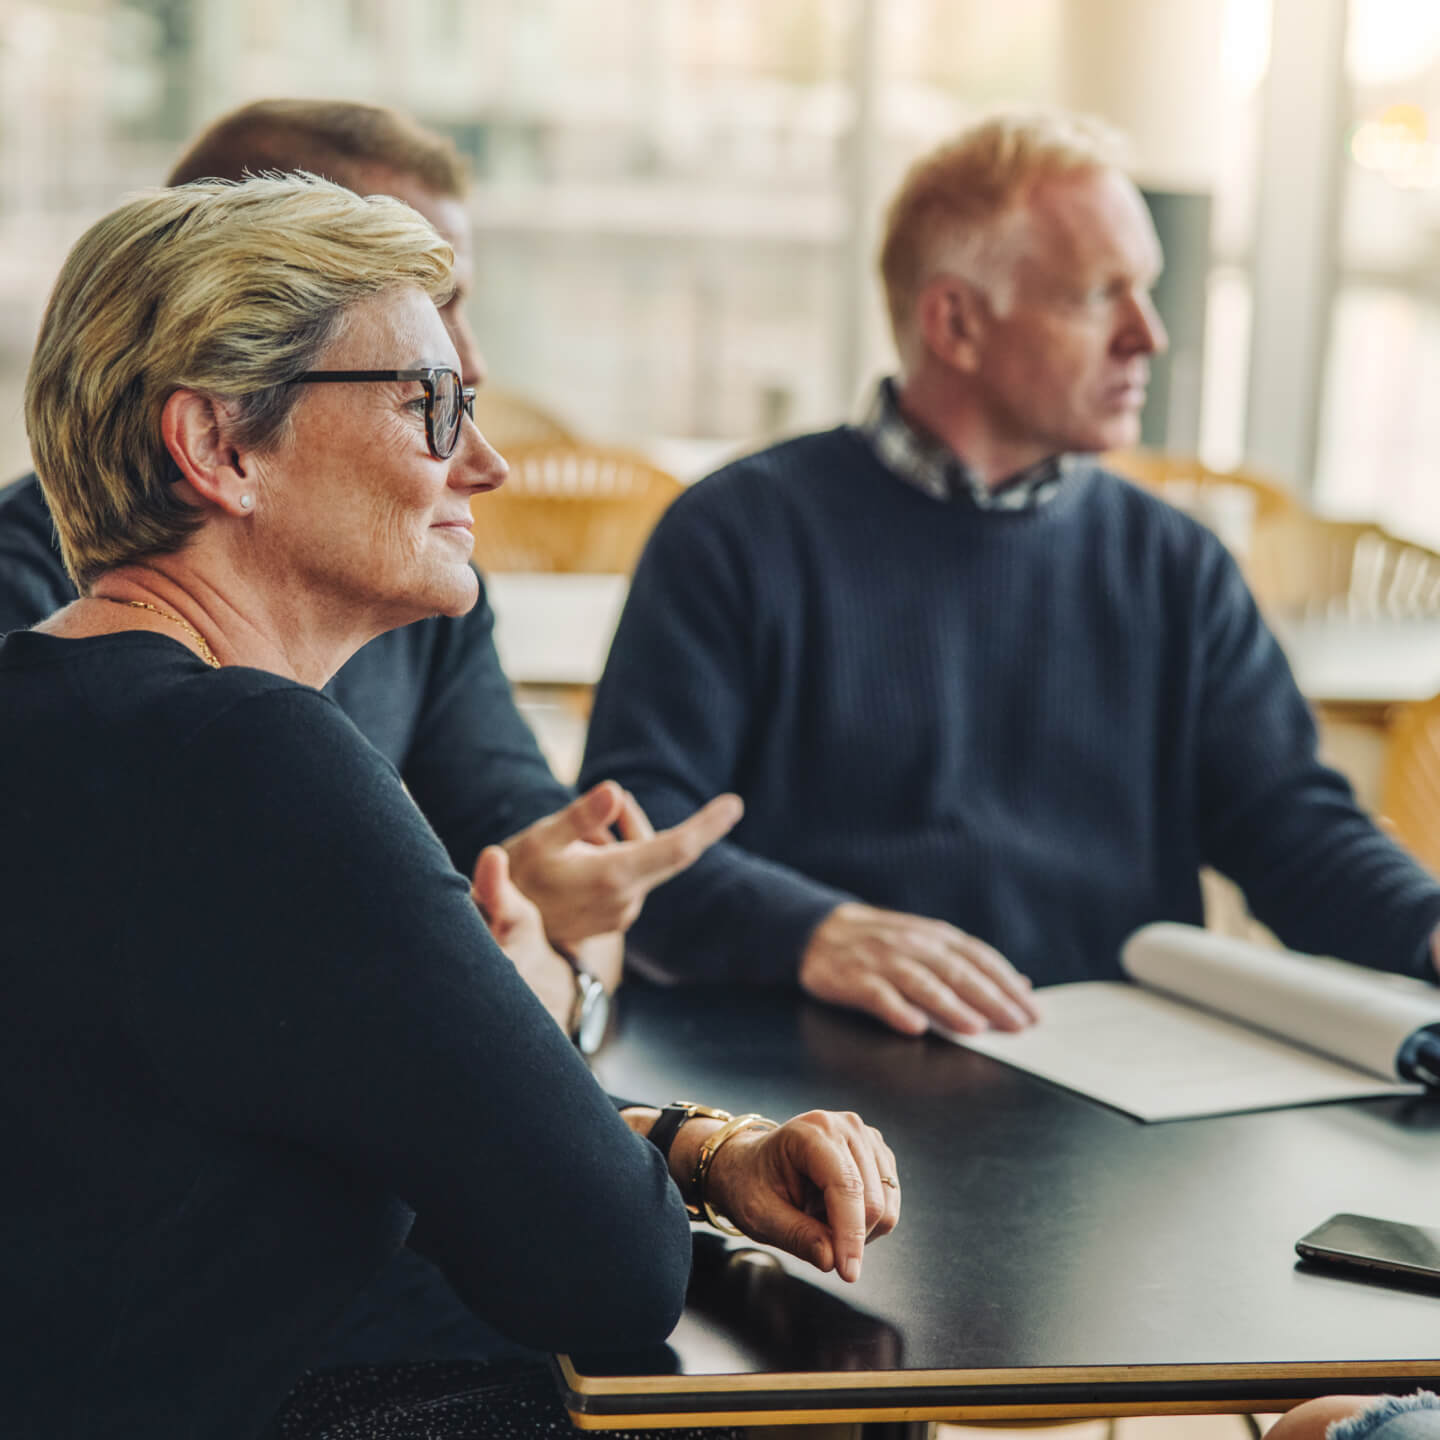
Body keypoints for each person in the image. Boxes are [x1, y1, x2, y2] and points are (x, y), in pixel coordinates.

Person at [3, 173, 900, 1440]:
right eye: (431, 404)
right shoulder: (257, 759)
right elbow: (603, 1267)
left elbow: (316, 1133)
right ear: (220, 446)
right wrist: (529, 1022)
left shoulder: (56, 714)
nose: (488, 461)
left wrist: (686, 1148)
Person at [580, 110, 1440, 1037]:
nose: (1148, 335)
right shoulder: (734, 536)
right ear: (956, 322)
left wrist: (1429, 929)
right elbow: (634, 836)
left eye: (1143, 291)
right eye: (1097, 296)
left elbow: (1292, 829)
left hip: (1116, 1084)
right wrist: (812, 930)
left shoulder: (1175, 564)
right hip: (809, 1078)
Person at [0, 98, 742, 1034]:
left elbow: (553, 873)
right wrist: (476, 959)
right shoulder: (44, 628)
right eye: (418, 325)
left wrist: (554, 976)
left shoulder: (420, 578)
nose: (469, 364)